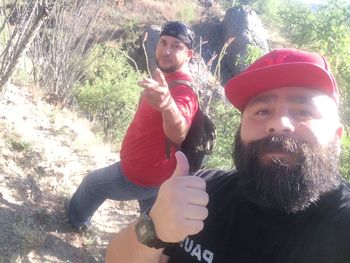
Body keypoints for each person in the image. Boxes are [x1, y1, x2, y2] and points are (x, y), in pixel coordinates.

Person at [105, 48, 350, 263]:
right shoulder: (203, 190)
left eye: (303, 111)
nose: (279, 123)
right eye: (262, 111)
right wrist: (154, 228)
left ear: (337, 137)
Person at [65, 21, 199, 231]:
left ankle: (75, 219)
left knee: (92, 184)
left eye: (176, 46)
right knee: (150, 220)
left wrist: (167, 105)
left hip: (140, 174)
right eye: (163, 42)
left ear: (188, 55)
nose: (167, 50)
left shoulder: (184, 90)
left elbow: (179, 131)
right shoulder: (165, 78)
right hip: (157, 172)